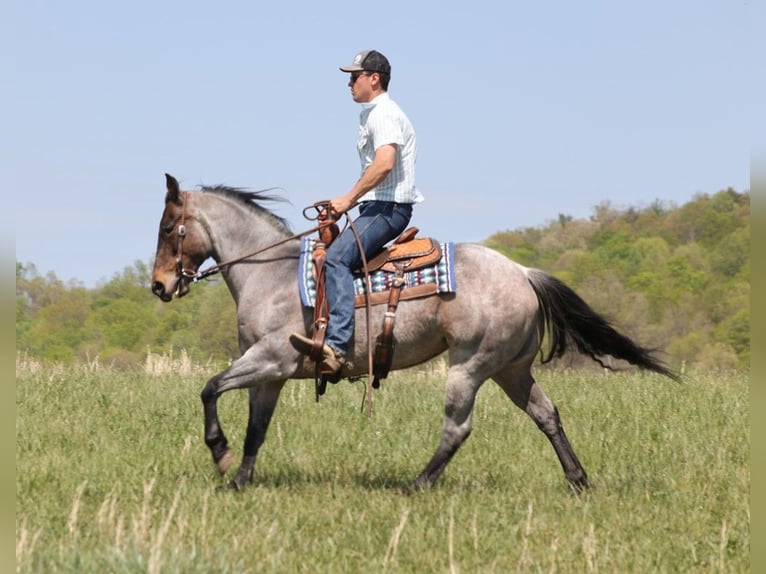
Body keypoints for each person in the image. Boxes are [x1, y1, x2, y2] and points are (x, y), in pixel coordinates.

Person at [290, 49, 423, 376]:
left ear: (373, 79)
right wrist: (345, 204)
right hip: (378, 205)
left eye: (354, 77)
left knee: (336, 258)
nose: (349, 83)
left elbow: (384, 163)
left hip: (388, 209)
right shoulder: (374, 113)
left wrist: (347, 200)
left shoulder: (384, 114)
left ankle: (336, 347)